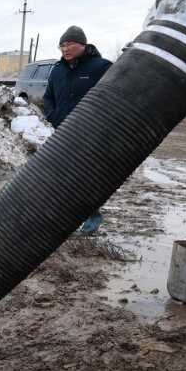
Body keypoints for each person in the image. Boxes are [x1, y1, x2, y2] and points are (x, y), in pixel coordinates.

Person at [43, 26, 113, 234]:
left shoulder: (101, 67)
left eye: (70, 44)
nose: (65, 48)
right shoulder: (58, 70)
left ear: (82, 44)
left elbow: (114, 97)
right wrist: (52, 116)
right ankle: (69, 216)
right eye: (62, 45)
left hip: (90, 134)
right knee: (62, 176)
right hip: (63, 131)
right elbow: (48, 97)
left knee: (85, 177)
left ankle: (93, 215)